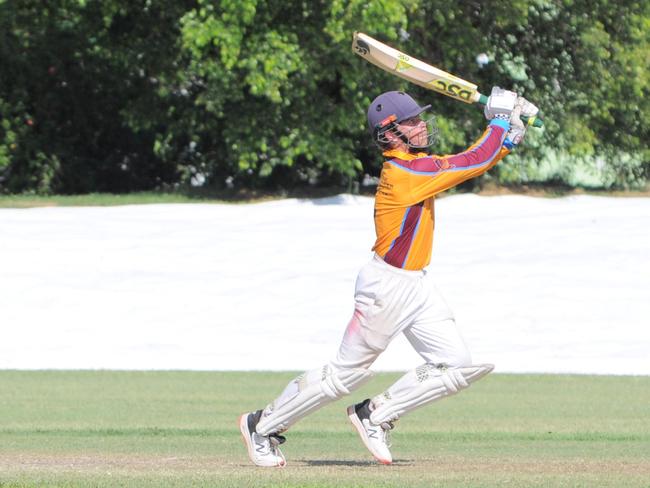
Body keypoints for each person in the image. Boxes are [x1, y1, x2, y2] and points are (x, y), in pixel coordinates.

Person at [239, 87, 539, 467]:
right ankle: (261, 426)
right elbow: (472, 161)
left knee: (457, 364)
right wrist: (498, 121)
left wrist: (508, 136)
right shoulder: (406, 172)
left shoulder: (419, 166)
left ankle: (375, 414)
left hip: (416, 284)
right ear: (390, 133)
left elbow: (476, 160)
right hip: (386, 287)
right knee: (344, 376)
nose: (421, 126)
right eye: (412, 122)